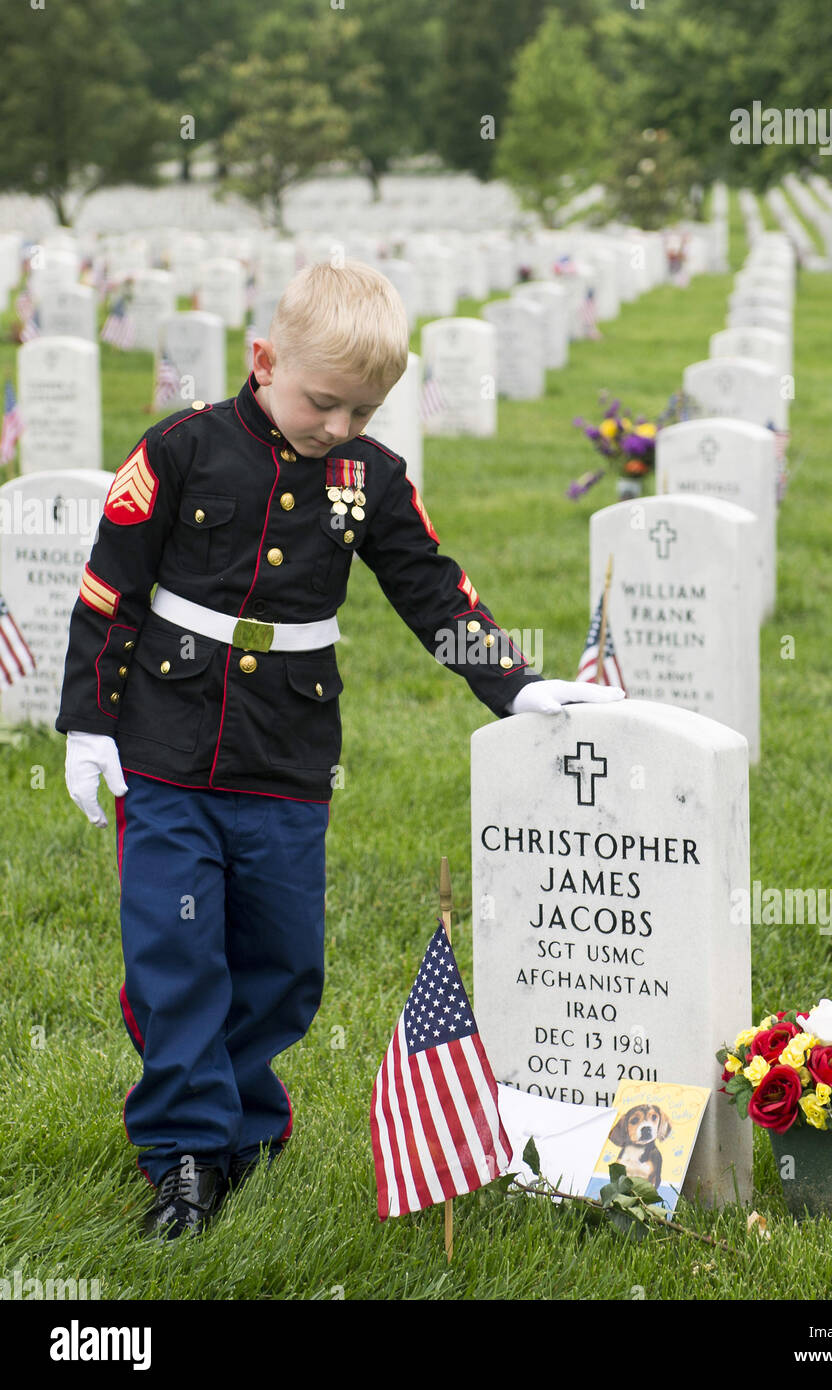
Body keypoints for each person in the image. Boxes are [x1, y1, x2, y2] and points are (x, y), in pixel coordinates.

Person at [56, 260, 623, 1240]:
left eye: (362, 411)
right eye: (324, 402)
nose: (338, 428)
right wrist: (90, 720)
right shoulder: (181, 450)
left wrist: (513, 682)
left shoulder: (369, 478)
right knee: (176, 950)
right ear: (264, 359)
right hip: (165, 743)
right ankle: (186, 1156)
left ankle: (244, 1122)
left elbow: (431, 589)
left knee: (282, 958)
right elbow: (111, 589)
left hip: (287, 750)